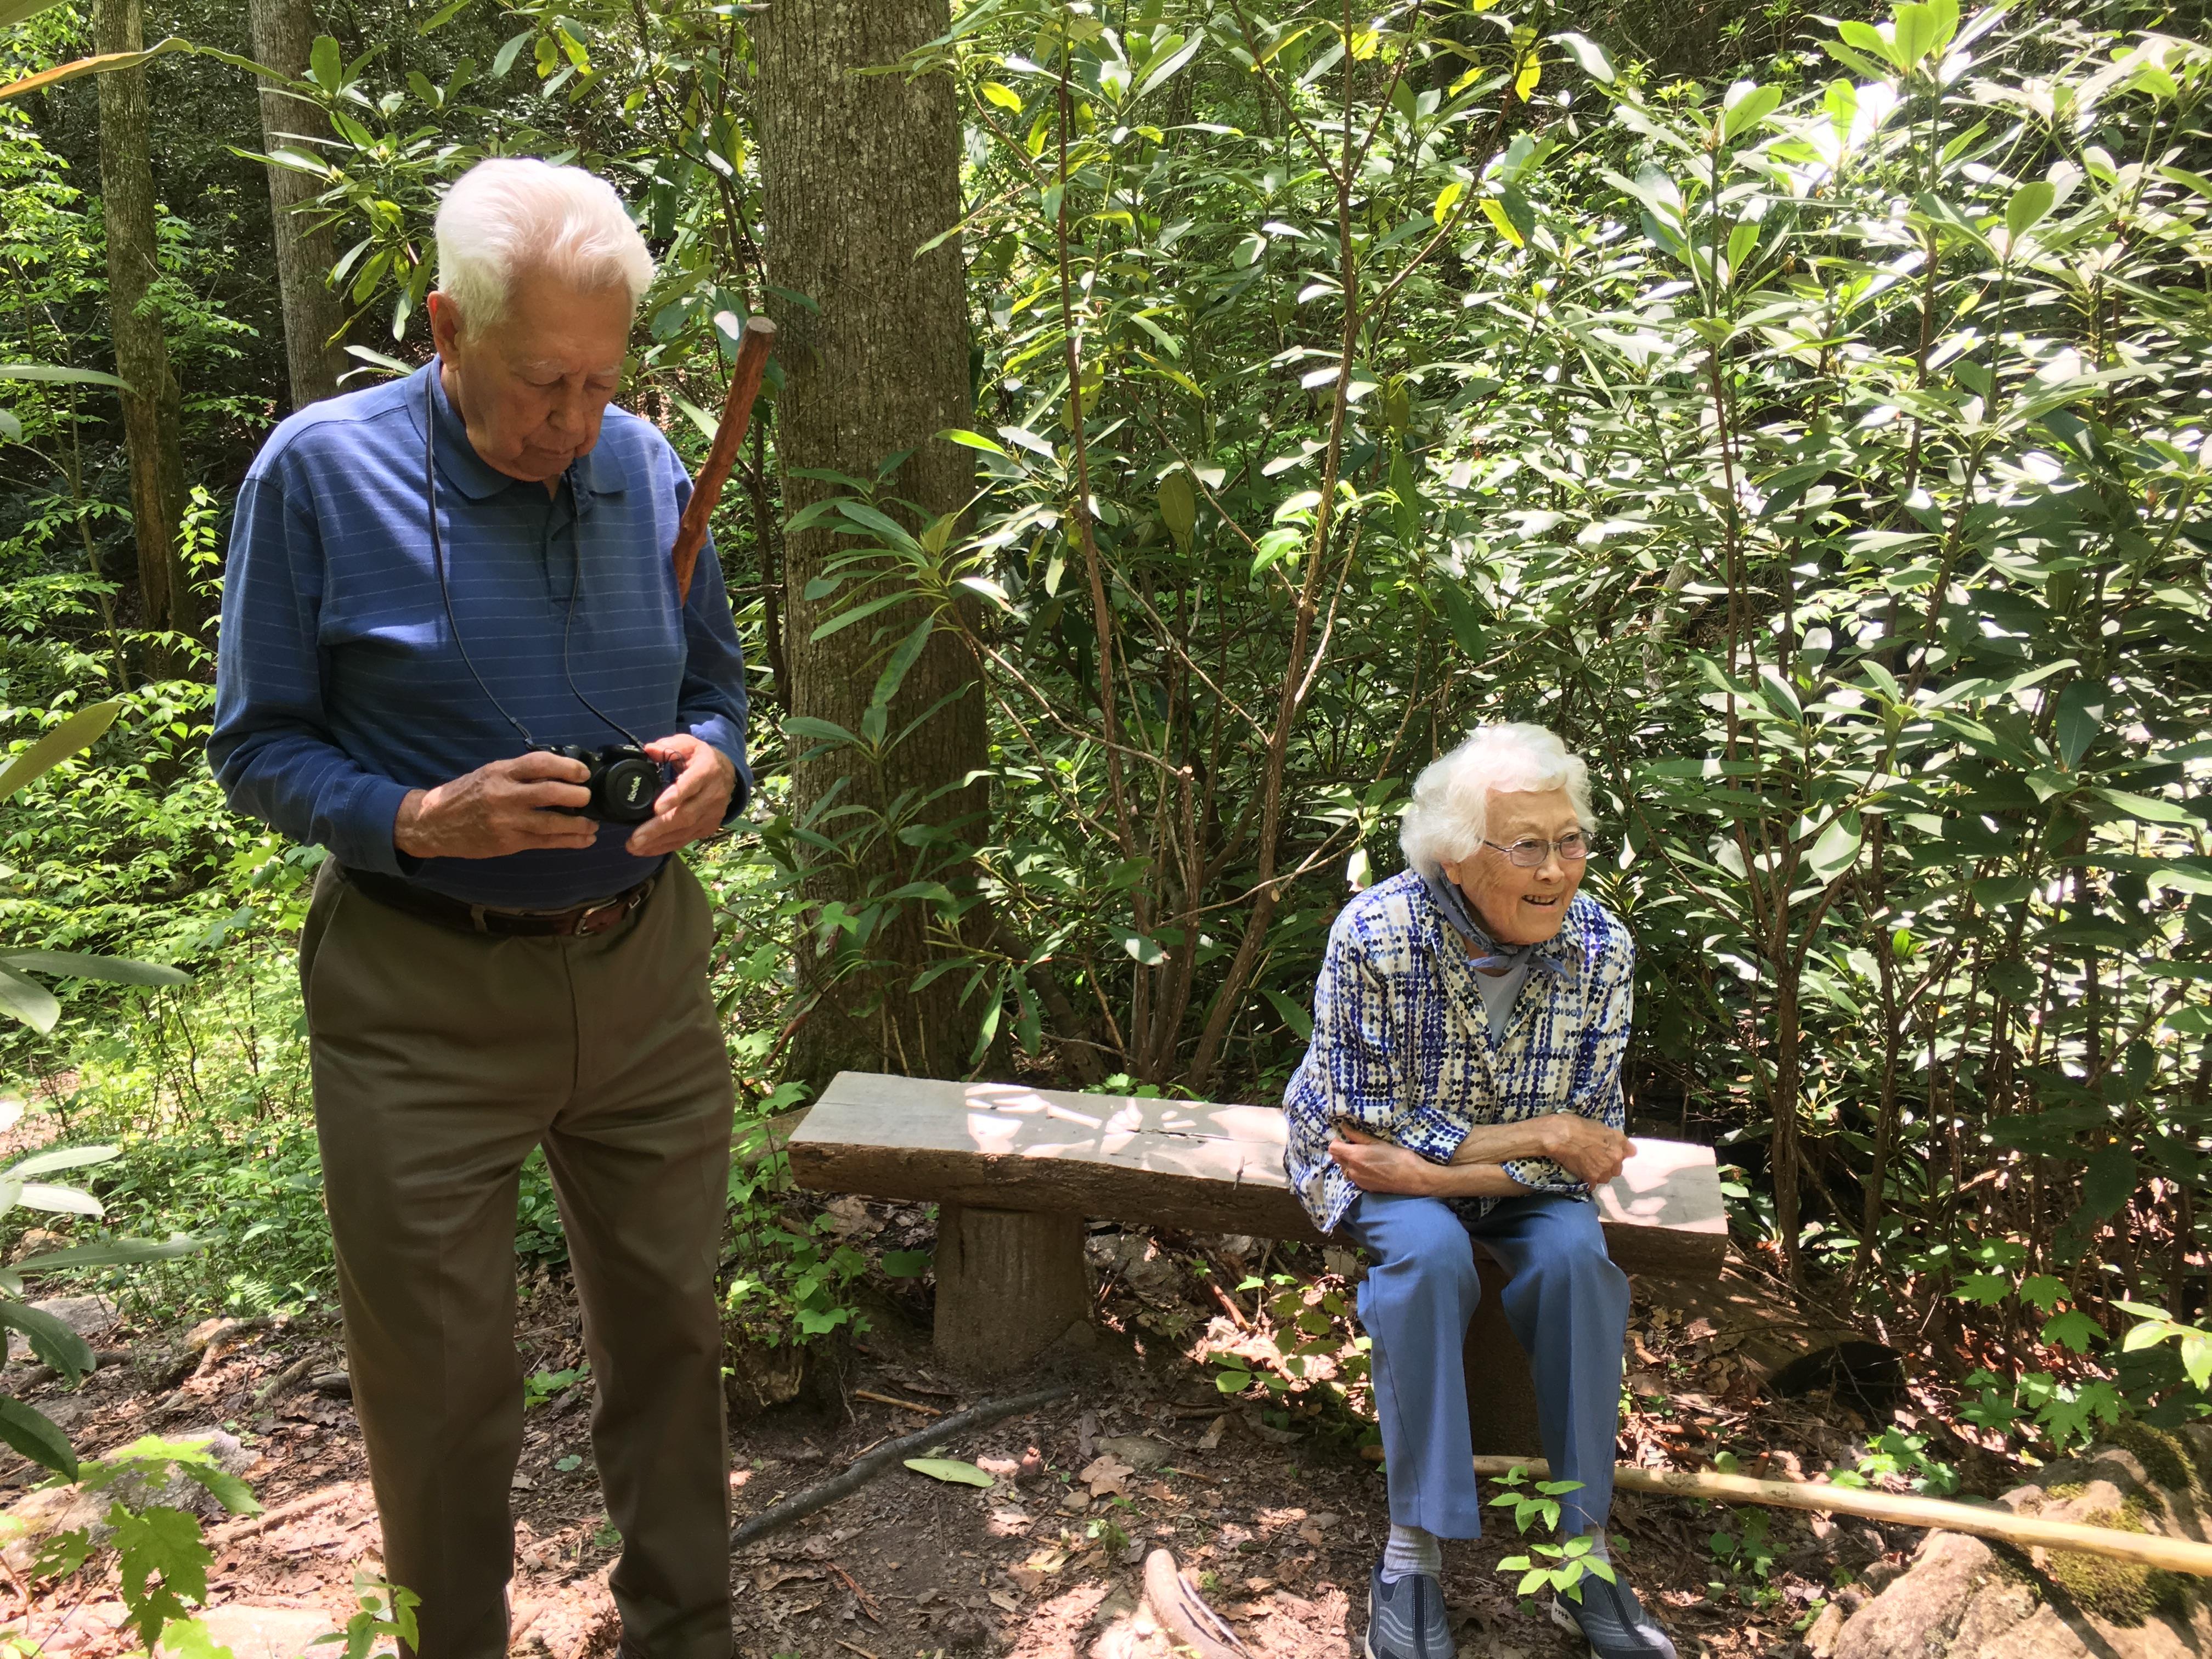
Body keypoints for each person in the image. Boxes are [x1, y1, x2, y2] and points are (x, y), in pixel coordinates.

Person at [210, 158, 749, 1659]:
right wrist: (411, 820)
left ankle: (685, 1632)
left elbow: (715, 688)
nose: (569, 423)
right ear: (447, 327)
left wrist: (722, 765)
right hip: (417, 999)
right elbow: (253, 743)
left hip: (642, 975)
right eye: (537, 383)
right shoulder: (318, 475)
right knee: (442, 1383)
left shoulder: (644, 467)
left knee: (675, 1332)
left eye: (597, 381)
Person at [1283, 724, 1675, 1659]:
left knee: (1580, 1260)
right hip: (1365, 1158)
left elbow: (1590, 1141)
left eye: (1571, 841)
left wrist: (1441, 1169)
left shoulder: (1602, 947)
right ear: (1458, 858)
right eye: (1527, 846)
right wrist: (1534, 1137)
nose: (1557, 870)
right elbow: (1364, 1127)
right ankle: (1411, 1553)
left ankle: (1581, 1551)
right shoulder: (1375, 934)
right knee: (1426, 1257)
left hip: (1484, 1177)